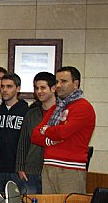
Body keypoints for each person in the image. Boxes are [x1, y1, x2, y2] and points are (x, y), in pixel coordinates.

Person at [31, 66, 96, 194]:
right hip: (48, 166)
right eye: (57, 81)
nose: (59, 85)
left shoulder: (83, 107)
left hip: (70, 168)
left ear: (76, 84)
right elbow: (35, 136)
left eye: (64, 81)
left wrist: (47, 130)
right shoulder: (56, 108)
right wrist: (50, 140)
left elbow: (63, 132)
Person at [16, 72, 57, 194]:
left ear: (53, 88)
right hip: (31, 170)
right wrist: (20, 167)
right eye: (36, 88)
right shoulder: (31, 113)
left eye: (43, 87)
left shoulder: (62, 112)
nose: (39, 91)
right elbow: (23, 141)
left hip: (54, 170)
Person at [0, 73, 29, 194]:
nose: (5, 90)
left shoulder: (27, 112)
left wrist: (23, 166)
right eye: (2, 86)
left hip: (17, 169)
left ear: (18, 88)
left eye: (9, 86)